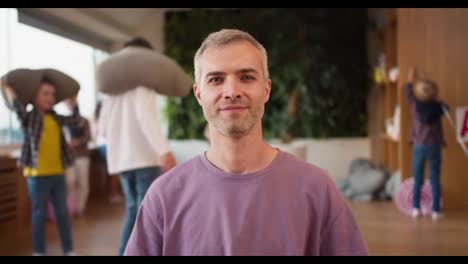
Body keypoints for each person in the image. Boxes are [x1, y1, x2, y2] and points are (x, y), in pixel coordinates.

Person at [124, 29, 368, 256]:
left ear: (266, 89)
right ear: (199, 94)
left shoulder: (317, 189)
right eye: (216, 79)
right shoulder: (164, 196)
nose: (231, 91)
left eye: (247, 77)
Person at [98, 37, 177, 256]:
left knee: (133, 209)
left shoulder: (110, 91)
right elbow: (146, 120)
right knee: (145, 214)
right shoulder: (142, 85)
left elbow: (102, 129)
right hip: (143, 158)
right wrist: (164, 150)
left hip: (122, 161)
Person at [1, 77, 79, 256]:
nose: (49, 98)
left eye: (52, 94)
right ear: (34, 97)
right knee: (39, 214)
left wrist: (74, 103)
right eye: (45, 93)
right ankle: (39, 251)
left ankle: (68, 250)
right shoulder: (29, 118)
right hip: (37, 175)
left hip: (58, 173)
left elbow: (75, 121)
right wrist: (8, 90)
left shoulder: (56, 118)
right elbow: (17, 107)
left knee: (62, 213)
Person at [404, 67, 447, 220]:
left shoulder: (415, 106)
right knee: (435, 179)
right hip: (434, 146)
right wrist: (443, 140)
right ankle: (435, 210)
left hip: (419, 146)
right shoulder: (438, 107)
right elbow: (440, 127)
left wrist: (410, 78)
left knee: (418, 178)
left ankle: (416, 208)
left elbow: (407, 92)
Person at [65, 106, 91, 216]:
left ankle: (80, 209)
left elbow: (88, 137)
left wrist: (78, 142)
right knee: (70, 182)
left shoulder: (84, 121)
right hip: (69, 157)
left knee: (83, 183)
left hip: (82, 156)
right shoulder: (65, 122)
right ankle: (72, 207)